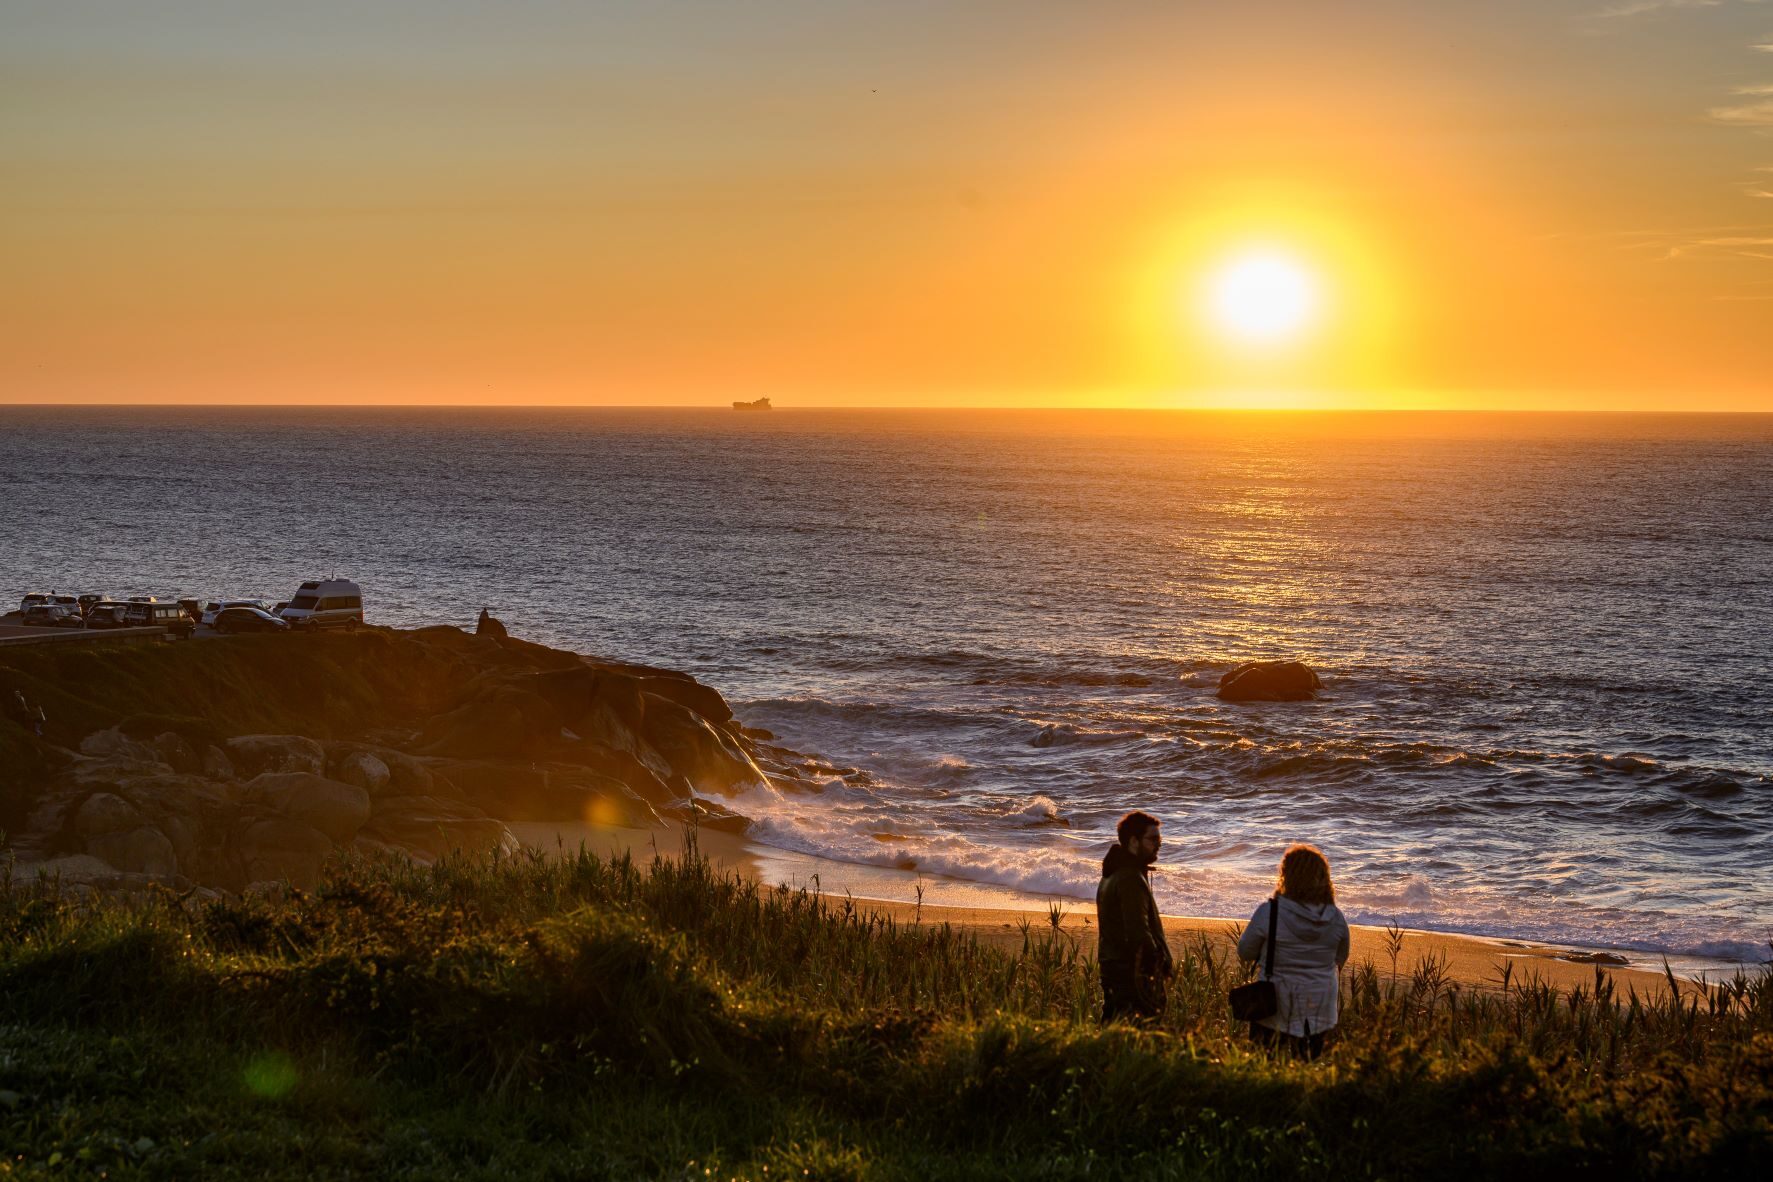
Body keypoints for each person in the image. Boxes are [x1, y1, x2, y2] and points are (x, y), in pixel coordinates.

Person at [1236, 843, 1350, 1059]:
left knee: (1265, 1064)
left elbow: (1244, 952)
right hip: (1320, 1007)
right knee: (1309, 1064)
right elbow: (1340, 958)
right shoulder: (1336, 917)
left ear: (1285, 875)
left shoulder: (1270, 911)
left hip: (1274, 1005)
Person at [1096, 809, 1173, 1024]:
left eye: (1159, 838)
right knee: (1140, 1037)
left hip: (1115, 968)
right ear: (1133, 841)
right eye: (1153, 839)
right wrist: (1158, 966)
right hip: (1131, 975)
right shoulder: (1129, 878)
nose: (1159, 844)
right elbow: (1138, 932)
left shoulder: (1113, 872)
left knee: (1114, 1031)